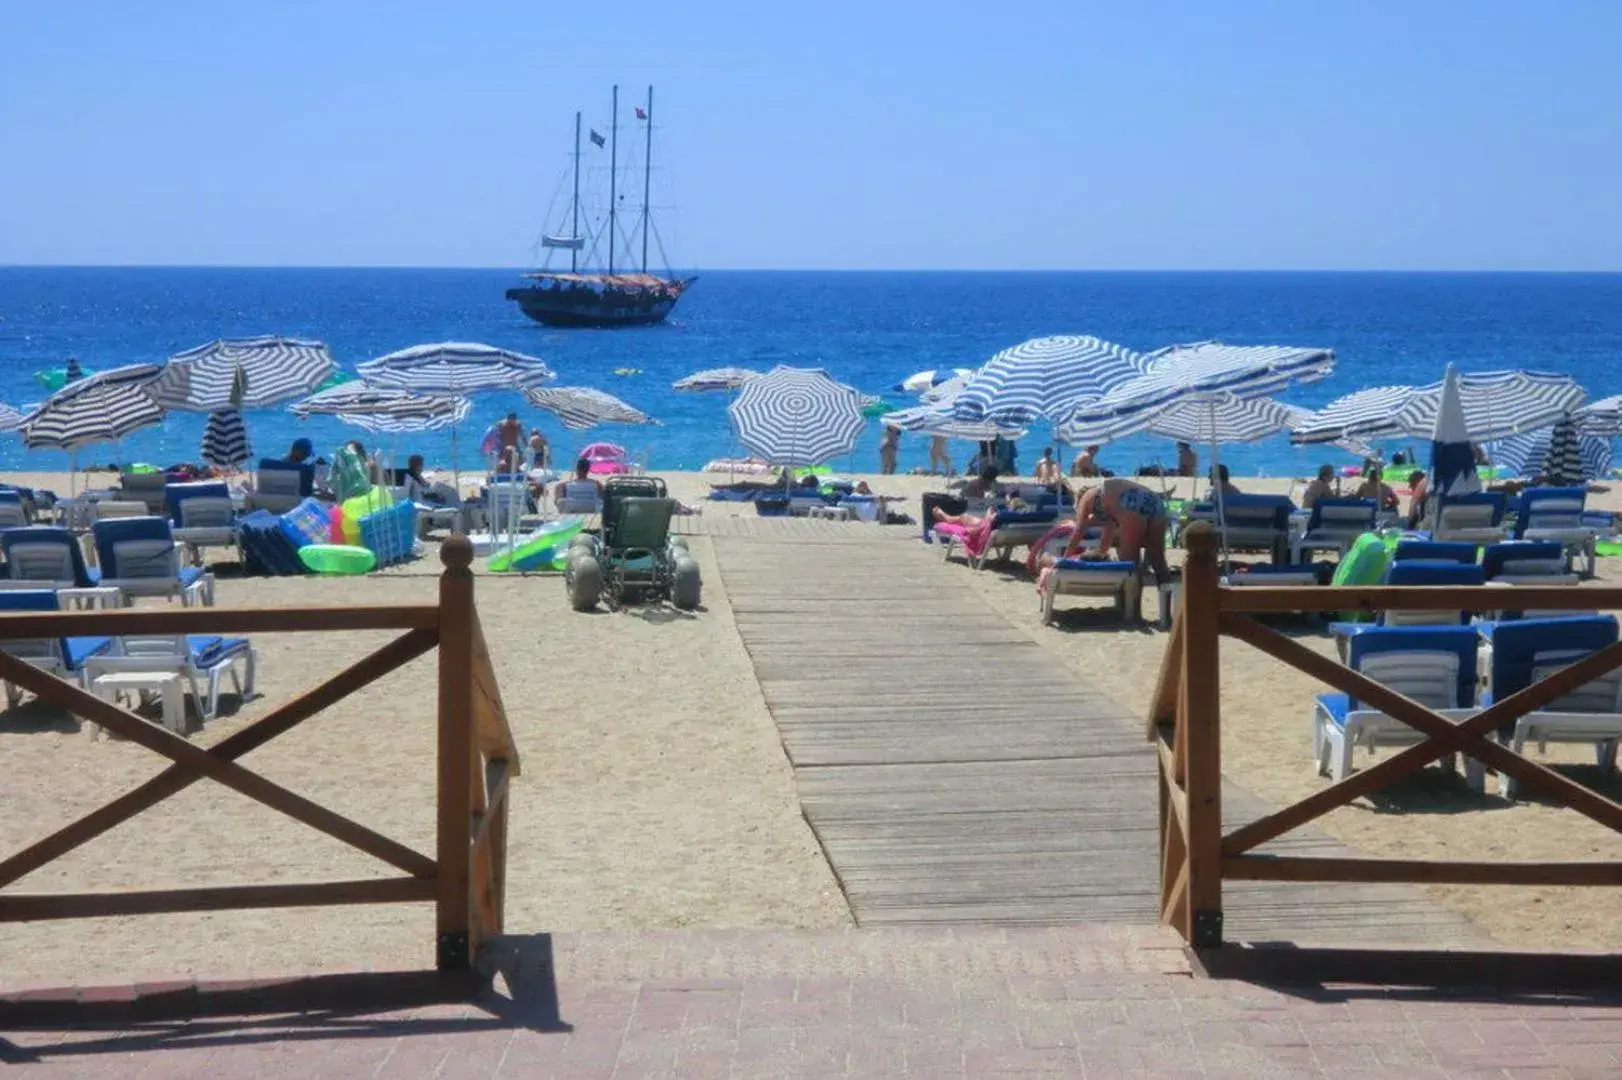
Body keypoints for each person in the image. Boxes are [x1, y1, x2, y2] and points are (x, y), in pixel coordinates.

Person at [1054, 477, 1172, 587]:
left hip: (1130, 501)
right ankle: (1167, 601)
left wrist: (1064, 562)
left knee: (1130, 564)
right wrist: (1101, 554)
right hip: (1154, 501)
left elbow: (1078, 532)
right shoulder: (1108, 502)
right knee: (1158, 560)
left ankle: (1132, 606)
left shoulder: (1086, 497)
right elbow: (1107, 534)